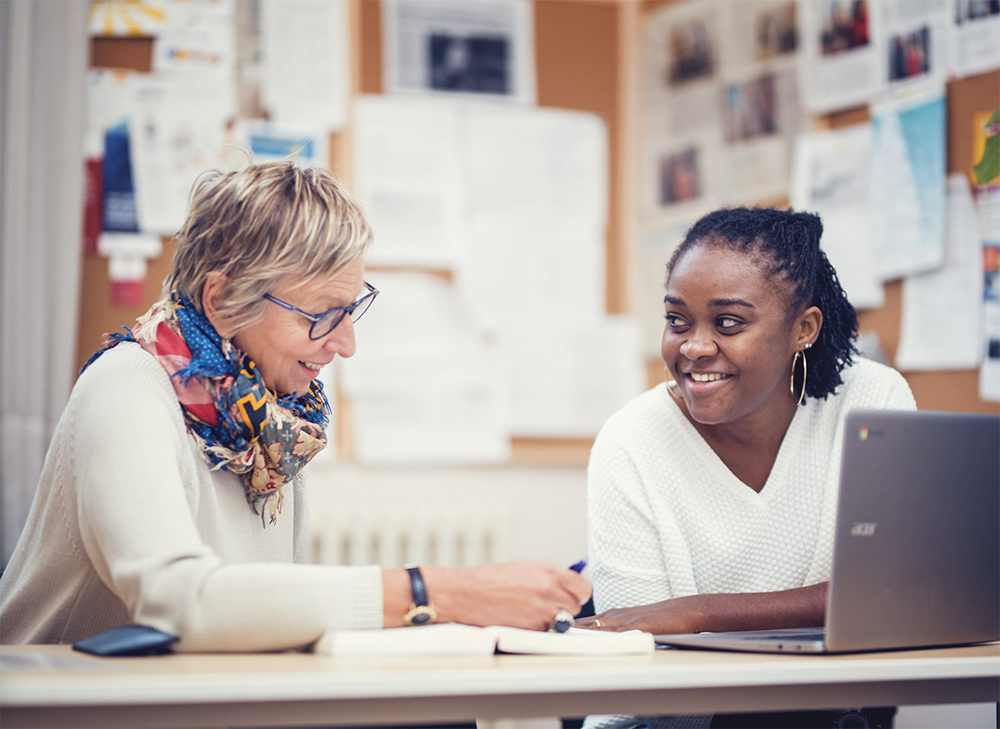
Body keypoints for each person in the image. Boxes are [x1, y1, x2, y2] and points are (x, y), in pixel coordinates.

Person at [0, 161, 590, 651]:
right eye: (322, 315)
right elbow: (180, 603)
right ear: (225, 301)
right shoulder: (128, 383)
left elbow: (268, 621)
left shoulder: (276, 426)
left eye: (351, 310)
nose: (346, 343)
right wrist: (436, 591)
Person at [576, 208, 914, 729]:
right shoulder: (631, 440)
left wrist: (700, 613)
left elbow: (889, 594)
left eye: (728, 322)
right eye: (676, 320)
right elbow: (640, 654)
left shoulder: (871, 400)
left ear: (803, 328)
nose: (693, 347)